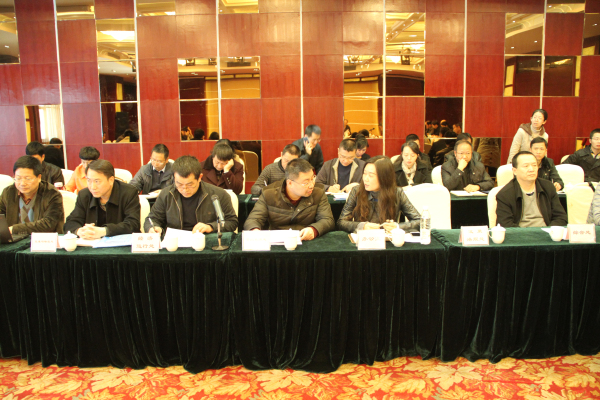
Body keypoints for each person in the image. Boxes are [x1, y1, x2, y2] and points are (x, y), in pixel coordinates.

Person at [243, 159, 334, 241]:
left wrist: (314, 229)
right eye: (306, 182)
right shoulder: (269, 193)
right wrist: (255, 231)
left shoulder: (318, 192)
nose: (311, 185)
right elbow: (253, 219)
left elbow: (327, 219)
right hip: (277, 242)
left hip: (306, 240)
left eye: (312, 179)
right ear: (290, 183)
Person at [144, 156, 238, 235]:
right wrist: (153, 228)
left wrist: (210, 227)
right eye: (179, 184)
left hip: (205, 241)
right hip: (175, 243)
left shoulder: (218, 195)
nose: (184, 189)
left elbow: (232, 222)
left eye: (190, 184)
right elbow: (151, 219)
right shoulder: (166, 194)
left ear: (200, 177)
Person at [337, 156, 421, 233]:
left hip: (387, 240)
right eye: (364, 173)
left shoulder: (397, 193)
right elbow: (341, 222)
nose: (365, 179)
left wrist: (397, 226)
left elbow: (420, 221)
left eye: (371, 175)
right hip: (363, 239)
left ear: (384, 177)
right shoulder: (356, 191)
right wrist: (362, 226)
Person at [64, 160, 141, 238]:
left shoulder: (128, 193)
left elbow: (133, 224)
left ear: (111, 180)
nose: (92, 187)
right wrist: (79, 231)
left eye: (97, 181)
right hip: (91, 243)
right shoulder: (84, 195)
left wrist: (104, 231)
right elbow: (71, 222)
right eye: (89, 180)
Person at [496, 151, 567, 227]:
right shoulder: (505, 194)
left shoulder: (548, 187)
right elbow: (505, 225)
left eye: (534, 165)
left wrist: (550, 230)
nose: (531, 169)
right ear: (515, 171)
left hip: (547, 231)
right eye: (526, 166)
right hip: (520, 233)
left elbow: (561, 217)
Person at [0, 156, 64, 235]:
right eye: (18, 178)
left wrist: (15, 229)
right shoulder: (8, 193)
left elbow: (49, 224)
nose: (22, 183)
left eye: (28, 178)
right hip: (14, 240)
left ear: (39, 177)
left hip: (42, 240)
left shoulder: (52, 194)